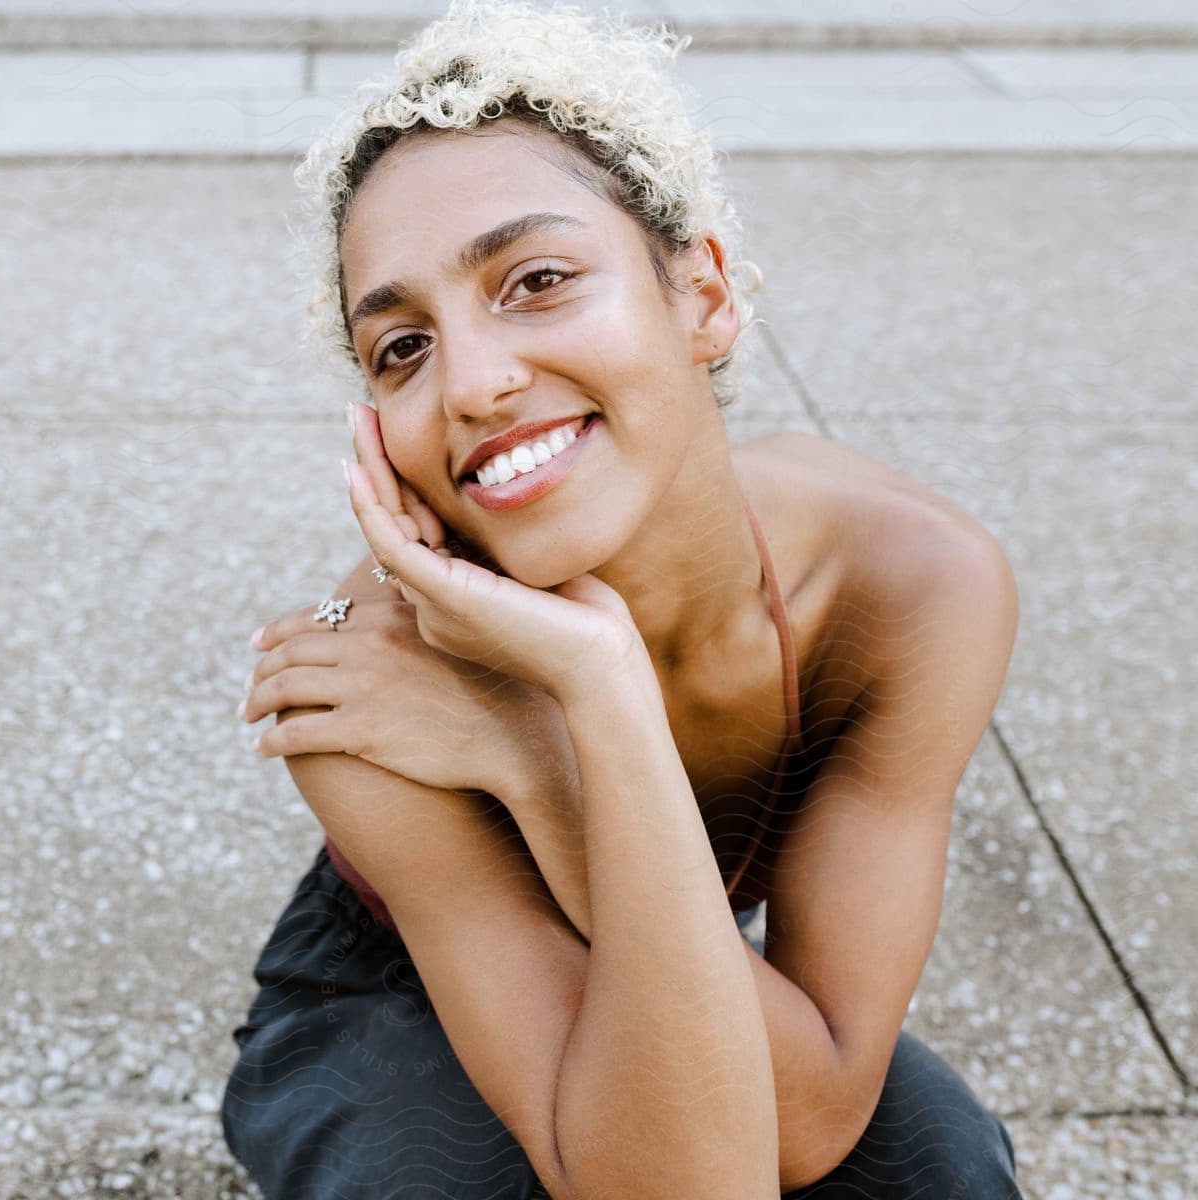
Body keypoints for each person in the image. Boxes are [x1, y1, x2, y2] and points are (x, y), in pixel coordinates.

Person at [222, 1, 1024, 1196]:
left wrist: (558, 754)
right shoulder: (375, 669)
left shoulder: (907, 589)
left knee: (942, 1174)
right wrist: (576, 706)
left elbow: (806, 1126)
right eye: (402, 348)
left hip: (671, 942)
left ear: (700, 296)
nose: (477, 383)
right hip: (390, 990)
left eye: (536, 279)